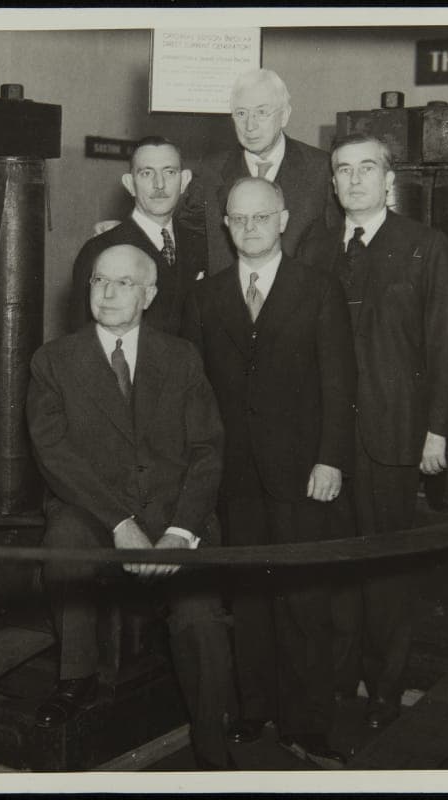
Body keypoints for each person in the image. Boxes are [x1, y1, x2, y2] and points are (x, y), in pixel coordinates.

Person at [27, 243, 234, 770]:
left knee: (199, 614)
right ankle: (76, 676)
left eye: (124, 283)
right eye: (100, 281)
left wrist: (180, 533)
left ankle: (213, 741)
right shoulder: (54, 360)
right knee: (64, 538)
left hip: (172, 518)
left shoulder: (181, 357)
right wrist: (119, 523)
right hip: (96, 513)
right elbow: (56, 457)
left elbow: (207, 451)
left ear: (149, 294)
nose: (109, 293)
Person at [181, 177, 356, 768]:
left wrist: (330, 457)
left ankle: (308, 726)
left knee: (304, 599)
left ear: (283, 220)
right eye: (238, 218)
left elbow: (339, 382)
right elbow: (198, 393)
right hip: (236, 475)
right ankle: (253, 710)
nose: (249, 227)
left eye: (261, 217)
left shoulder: (318, 289)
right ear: (226, 225)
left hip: (305, 470)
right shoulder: (208, 297)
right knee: (250, 596)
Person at [297, 133, 448, 730]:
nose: (354, 180)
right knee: (335, 570)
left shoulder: (425, 245)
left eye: (367, 169)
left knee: (388, 575)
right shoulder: (314, 246)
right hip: (323, 444)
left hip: (392, 438)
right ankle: (339, 687)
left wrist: (437, 430)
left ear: (389, 179)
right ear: (333, 182)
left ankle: (386, 694)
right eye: (343, 170)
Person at [178, 67, 341, 275]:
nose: (250, 125)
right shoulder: (210, 172)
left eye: (261, 112)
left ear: (284, 116)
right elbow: (190, 244)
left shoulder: (321, 169)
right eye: (241, 113)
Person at [68, 136, 205, 335]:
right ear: (130, 183)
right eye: (147, 173)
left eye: (169, 172)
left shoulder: (199, 244)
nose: (159, 184)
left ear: (184, 181)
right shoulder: (100, 249)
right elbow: (82, 337)